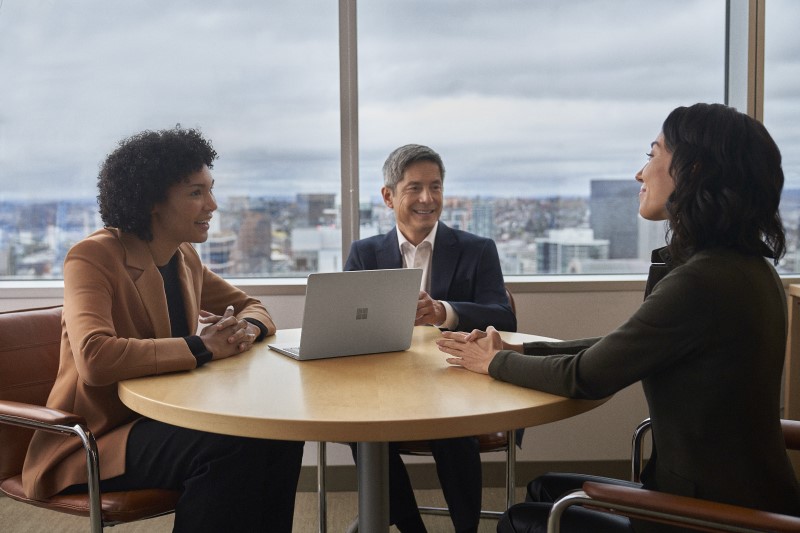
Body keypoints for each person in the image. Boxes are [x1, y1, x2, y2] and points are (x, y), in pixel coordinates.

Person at [436, 103, 800, 533]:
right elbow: (621, 344)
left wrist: (492, 363)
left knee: (520, 520)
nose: (640, 173)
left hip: (710, 515)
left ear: (693, 170)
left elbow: (585, 376)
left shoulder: (704, 282)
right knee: (544, 491)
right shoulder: (744, 268)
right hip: (743, 494)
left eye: (652, 154)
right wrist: (517, 348)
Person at [21, 126, 305, 532]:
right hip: (99, 435)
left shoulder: (183, 257)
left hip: (165, 417)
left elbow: (253, 307)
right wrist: (202, 347)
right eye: (195, 193)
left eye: (211, 189)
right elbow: (95, 358)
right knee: (228, 446)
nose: (212, 204)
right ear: (152, 200)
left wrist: (244, 330)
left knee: (278, 432)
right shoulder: (92, 257)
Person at [345, 143, 516, 533]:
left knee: (452, 430)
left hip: (457, 381)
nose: (428, 198)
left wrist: (444, 312)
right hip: (386, 387)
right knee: (360, 431)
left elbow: (503, 316)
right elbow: (346, 327)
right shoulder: (365, 255)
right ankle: (411, 527)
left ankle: (465, 529)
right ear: (388, 196)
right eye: (415, 188)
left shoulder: (477, 250)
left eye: (436, 187)